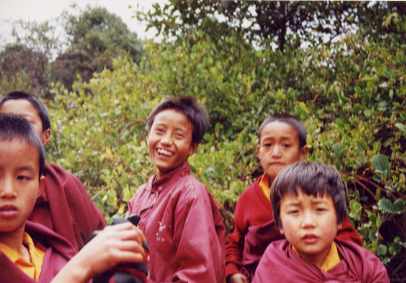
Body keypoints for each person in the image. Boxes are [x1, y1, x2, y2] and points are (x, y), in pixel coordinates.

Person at [0, 113, 147, 283]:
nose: (8, 191)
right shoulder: (76, 264)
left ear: (39, 187)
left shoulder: (52, 254)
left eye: (22, 177)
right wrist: (82, 266)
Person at [225, 114, 363, 283]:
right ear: (258, 152)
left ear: (303, 152)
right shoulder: (248, 198)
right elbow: (234, 242)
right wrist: (233, 271)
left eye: (286, 145)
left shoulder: (318, 192)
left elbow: (349, 244)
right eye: (268, 145)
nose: (276, 153)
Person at [127, 96, 225, 283]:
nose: (165, 141)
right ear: (148, 136)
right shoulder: (141, 194)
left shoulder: (191, 195)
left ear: (192, 147)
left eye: (178, 135)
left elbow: (199, 274)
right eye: (160, 131)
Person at [0, 91, 105, 251]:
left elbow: (96, 235)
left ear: (46, 136)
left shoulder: (63, 184)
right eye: (6, 124)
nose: (16, 132)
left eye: (24, 123)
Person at [252, 162, 389, 283]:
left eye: (319, 209)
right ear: (280, 223)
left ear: (339, 219)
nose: (308, 222)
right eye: (294, 212)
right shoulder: (272, 266)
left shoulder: (366, 267)